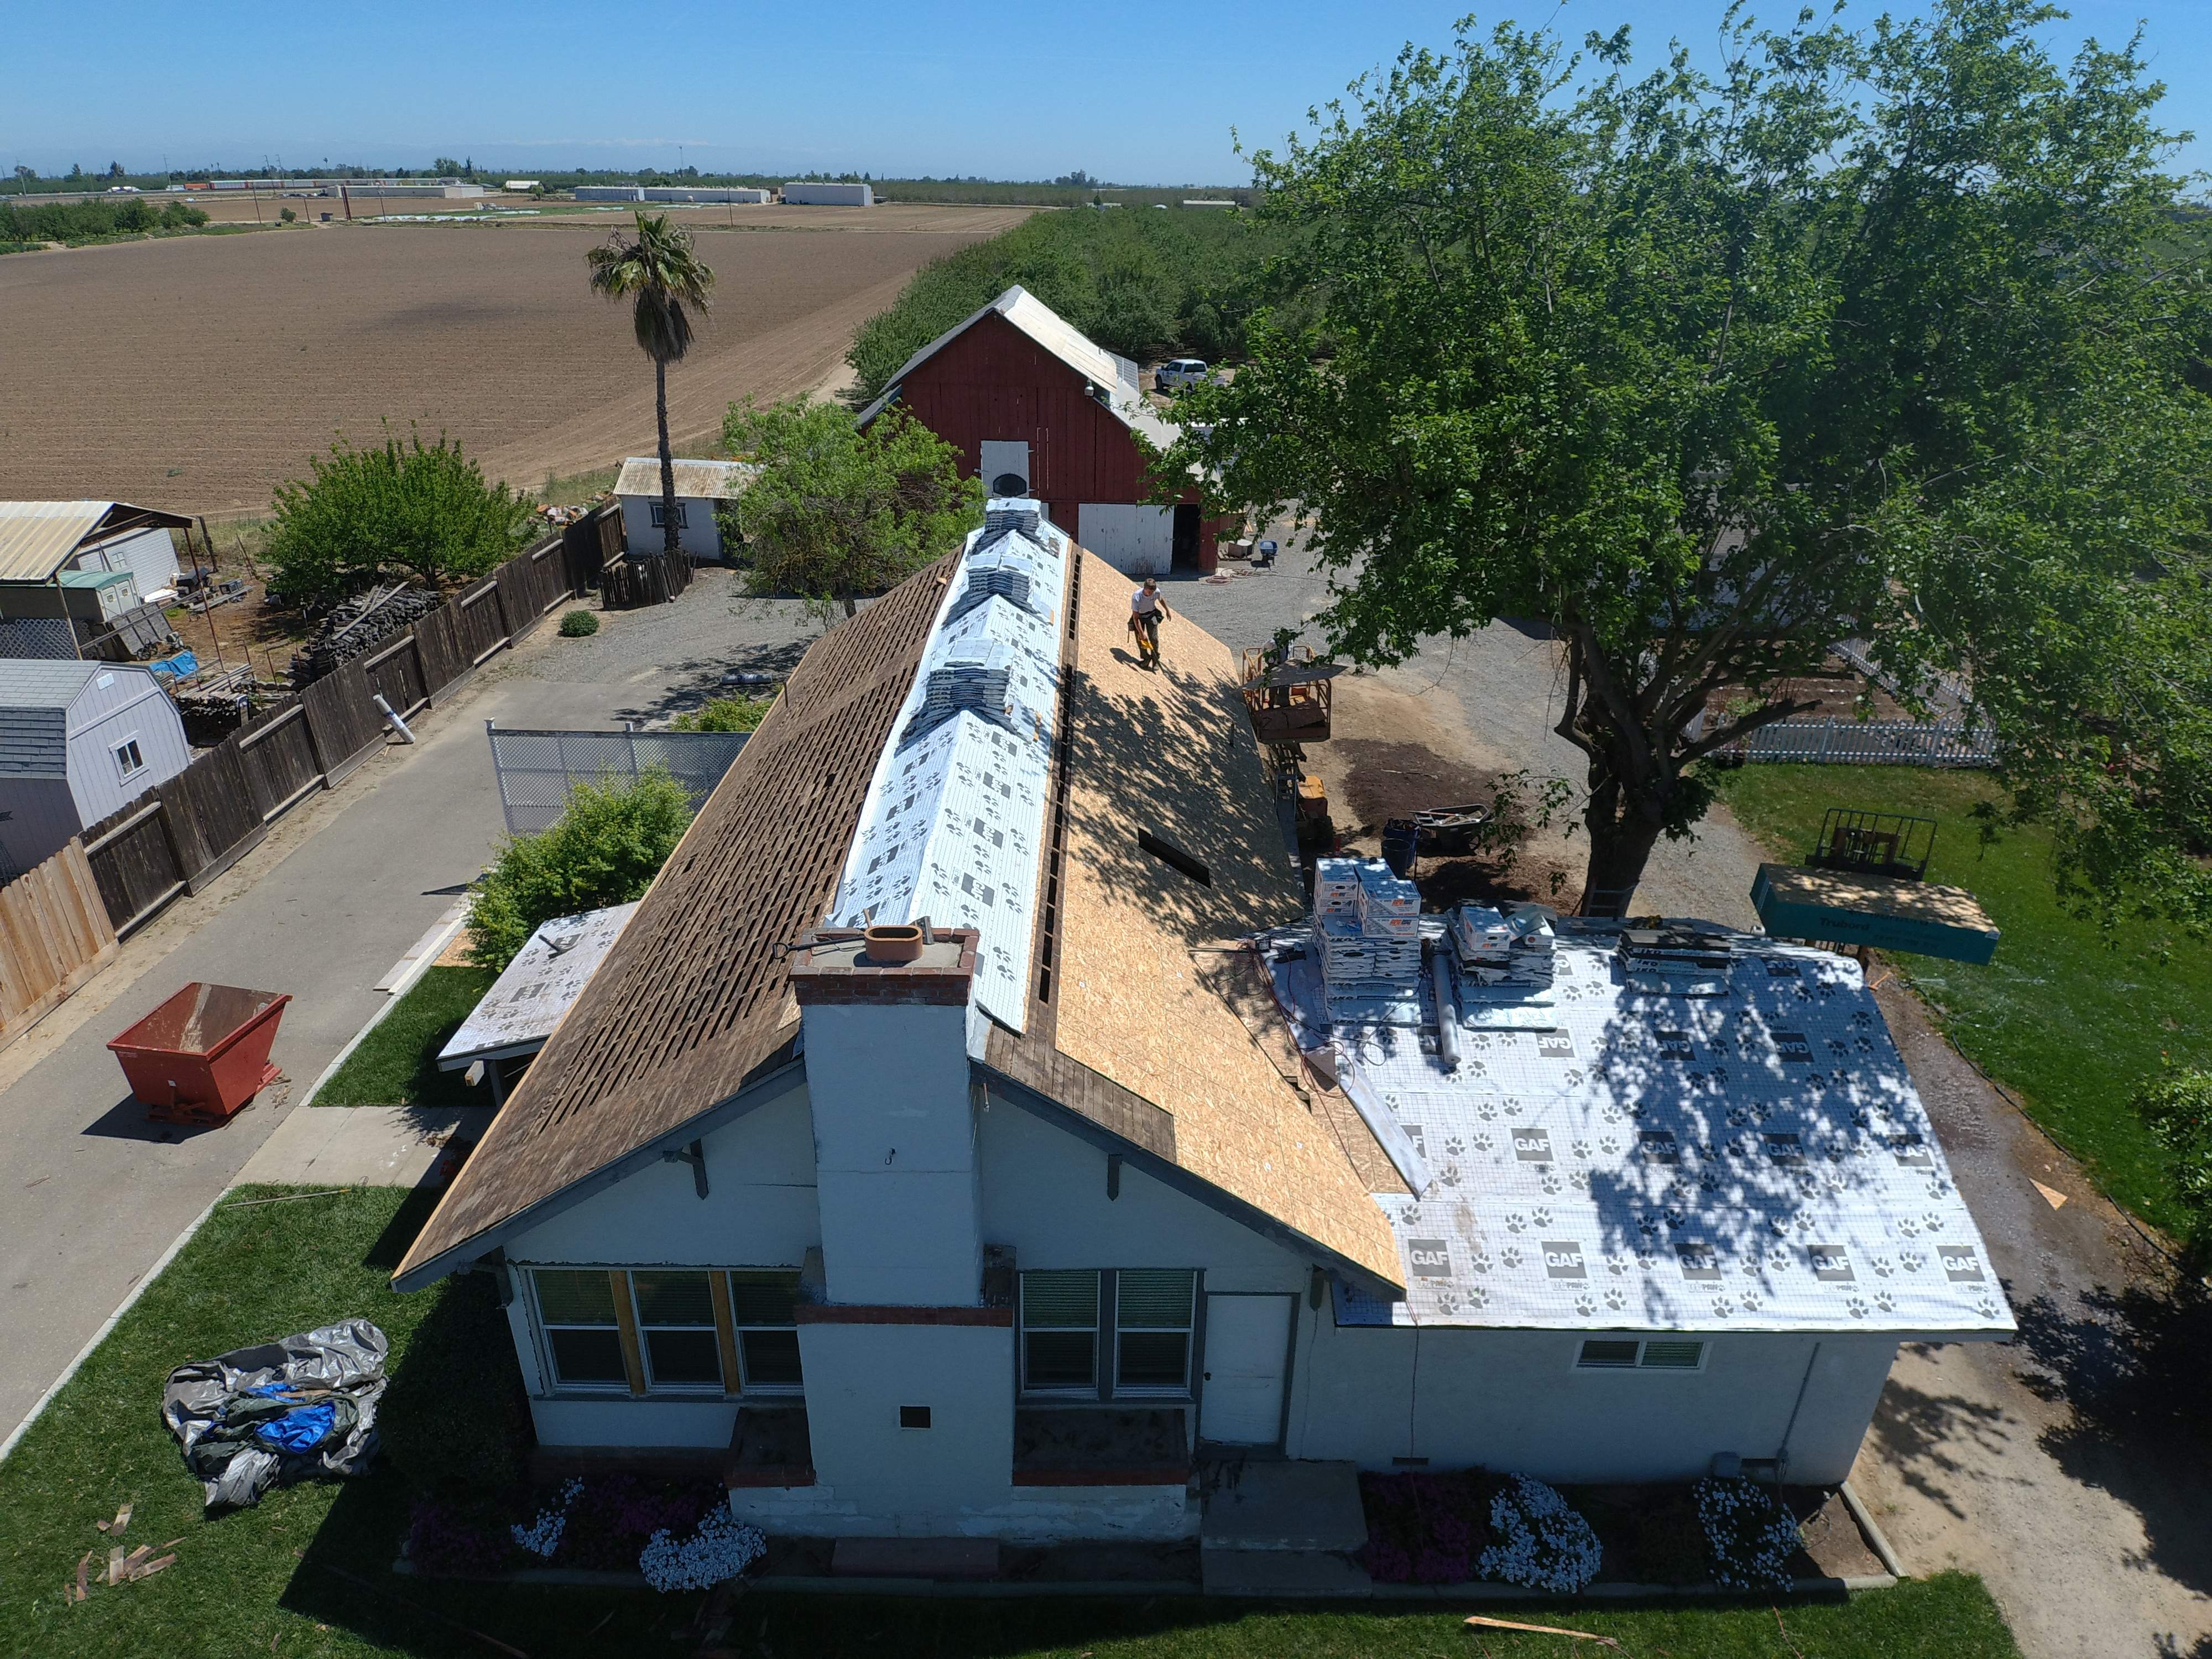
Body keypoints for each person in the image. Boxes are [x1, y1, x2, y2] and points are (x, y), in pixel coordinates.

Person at [1129, 577, 1171, 669]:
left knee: (1154, 639)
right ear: (1144, 588)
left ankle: (1155, 659)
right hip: (1140, 617)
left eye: (1152, 592)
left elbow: (1160, 599)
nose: (1150, 594)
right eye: (1148, 592)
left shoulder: (1156, 592)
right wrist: (1141, 633)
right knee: (1142, 640)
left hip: (1151, 615)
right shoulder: (1137, 597)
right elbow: (1136, 618)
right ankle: (1146, 658)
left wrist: (1167, 610)